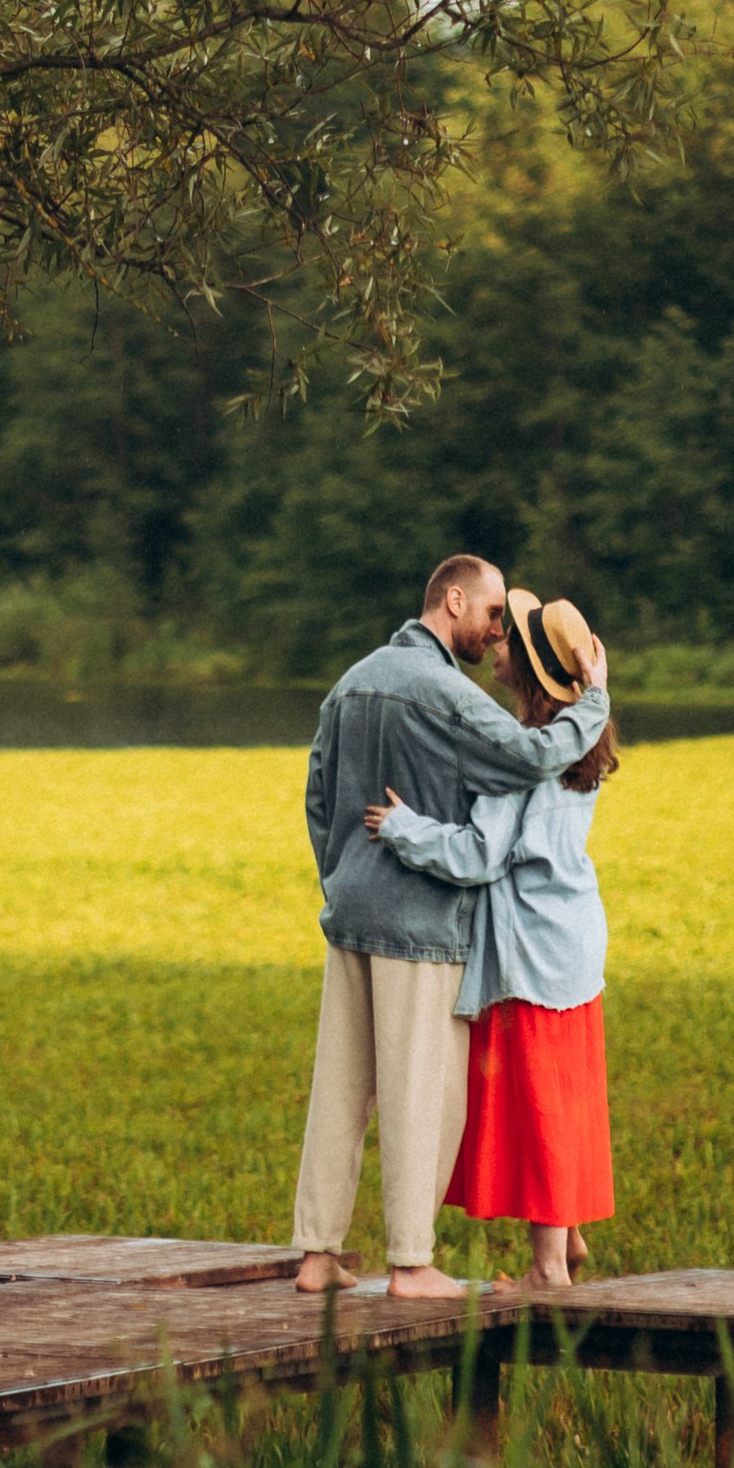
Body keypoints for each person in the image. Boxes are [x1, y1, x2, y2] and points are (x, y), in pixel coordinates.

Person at [292, 555, 610, 1301]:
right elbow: (534, 758)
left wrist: (338, 876)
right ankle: (411, 1264)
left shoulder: (353, 679)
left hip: (352, 913)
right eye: (494, 614)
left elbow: (315, 790)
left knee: (339, 1089)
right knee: (422, 1091)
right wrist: (594, 701)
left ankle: (316, 1256)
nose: (498, 631)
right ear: (455, 599)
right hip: (422, 921)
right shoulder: (447, 694)